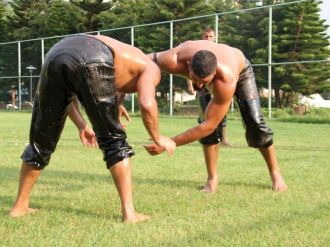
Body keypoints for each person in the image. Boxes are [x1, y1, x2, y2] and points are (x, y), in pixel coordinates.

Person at [9, 34, 176, 224]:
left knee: (41, 140)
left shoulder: (123, 58)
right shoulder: (151, 67)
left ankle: (19, 206)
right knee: (114, 140)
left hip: (56, 53)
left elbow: (67, 96)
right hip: (94, 54)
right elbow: (147, 103)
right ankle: (129, 214)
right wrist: (157, 137)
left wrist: (83, 125)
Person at [146, 40, 288, 193]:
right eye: (195, 80)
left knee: (255, 123)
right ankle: (212, 179)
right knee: (209, 131)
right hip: (206, 71)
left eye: (204, 82)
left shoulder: (225, 79)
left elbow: (208, 125)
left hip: (241, 72)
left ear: (214, 73)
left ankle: (275, 173)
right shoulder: (173, 58)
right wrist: (120, 98)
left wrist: (170, 142)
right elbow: (139, 61)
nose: (199, 86)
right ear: (188, 65)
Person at [186, 27, 231, 193]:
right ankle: (211, 175)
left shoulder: (220, 51)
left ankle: (223, 139)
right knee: (206, 121)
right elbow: (188, 69)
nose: (208, 38)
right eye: (205, 35)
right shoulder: (197, 52)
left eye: (211, 36)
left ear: (215, 37)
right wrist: (190, 83)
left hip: (218, 89)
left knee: (221, 117)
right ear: (201, 36)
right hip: (203, 90)